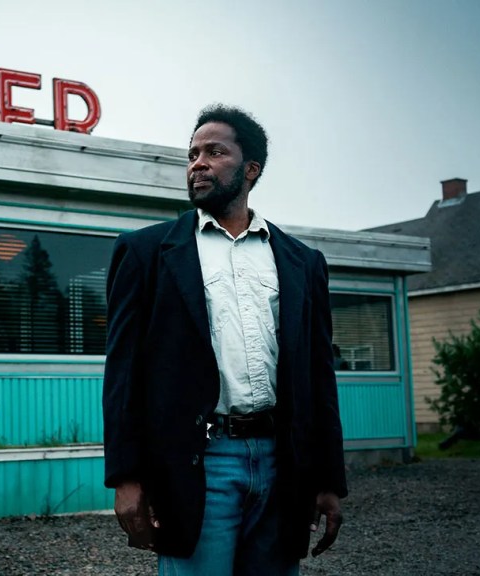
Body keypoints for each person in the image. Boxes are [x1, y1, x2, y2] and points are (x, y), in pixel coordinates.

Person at [102, 104, 347, 575]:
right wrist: (126, 476)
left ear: (251, 169)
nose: (198, 163)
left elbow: (319, 377)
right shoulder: (146, 252)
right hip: (200, 463)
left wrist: (328, 479)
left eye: (215, 152)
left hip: (282, 464)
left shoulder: (302, 261)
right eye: (192, 154)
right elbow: (123, 374)